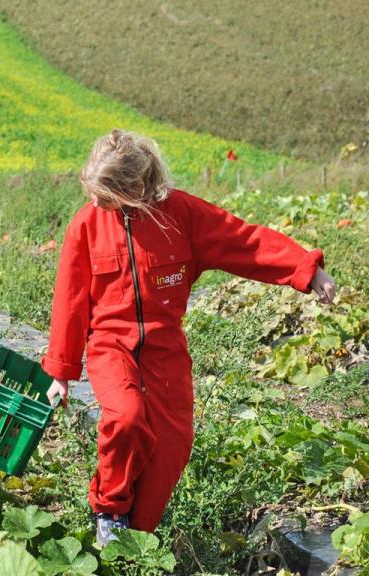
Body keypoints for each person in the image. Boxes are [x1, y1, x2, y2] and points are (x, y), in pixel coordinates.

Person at [42, 129, 336, 546]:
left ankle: (135, 542)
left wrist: (306, 270)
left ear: (134, 188)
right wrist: (62, 371)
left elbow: (245, 242)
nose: (94, 202)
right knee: (126, 418)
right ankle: (109, 509)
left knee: (172, 447)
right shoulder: (86, 226)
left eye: (104, 194)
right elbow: (70, 300)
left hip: (165, 347)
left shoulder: (181, 215)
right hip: (110, 343)